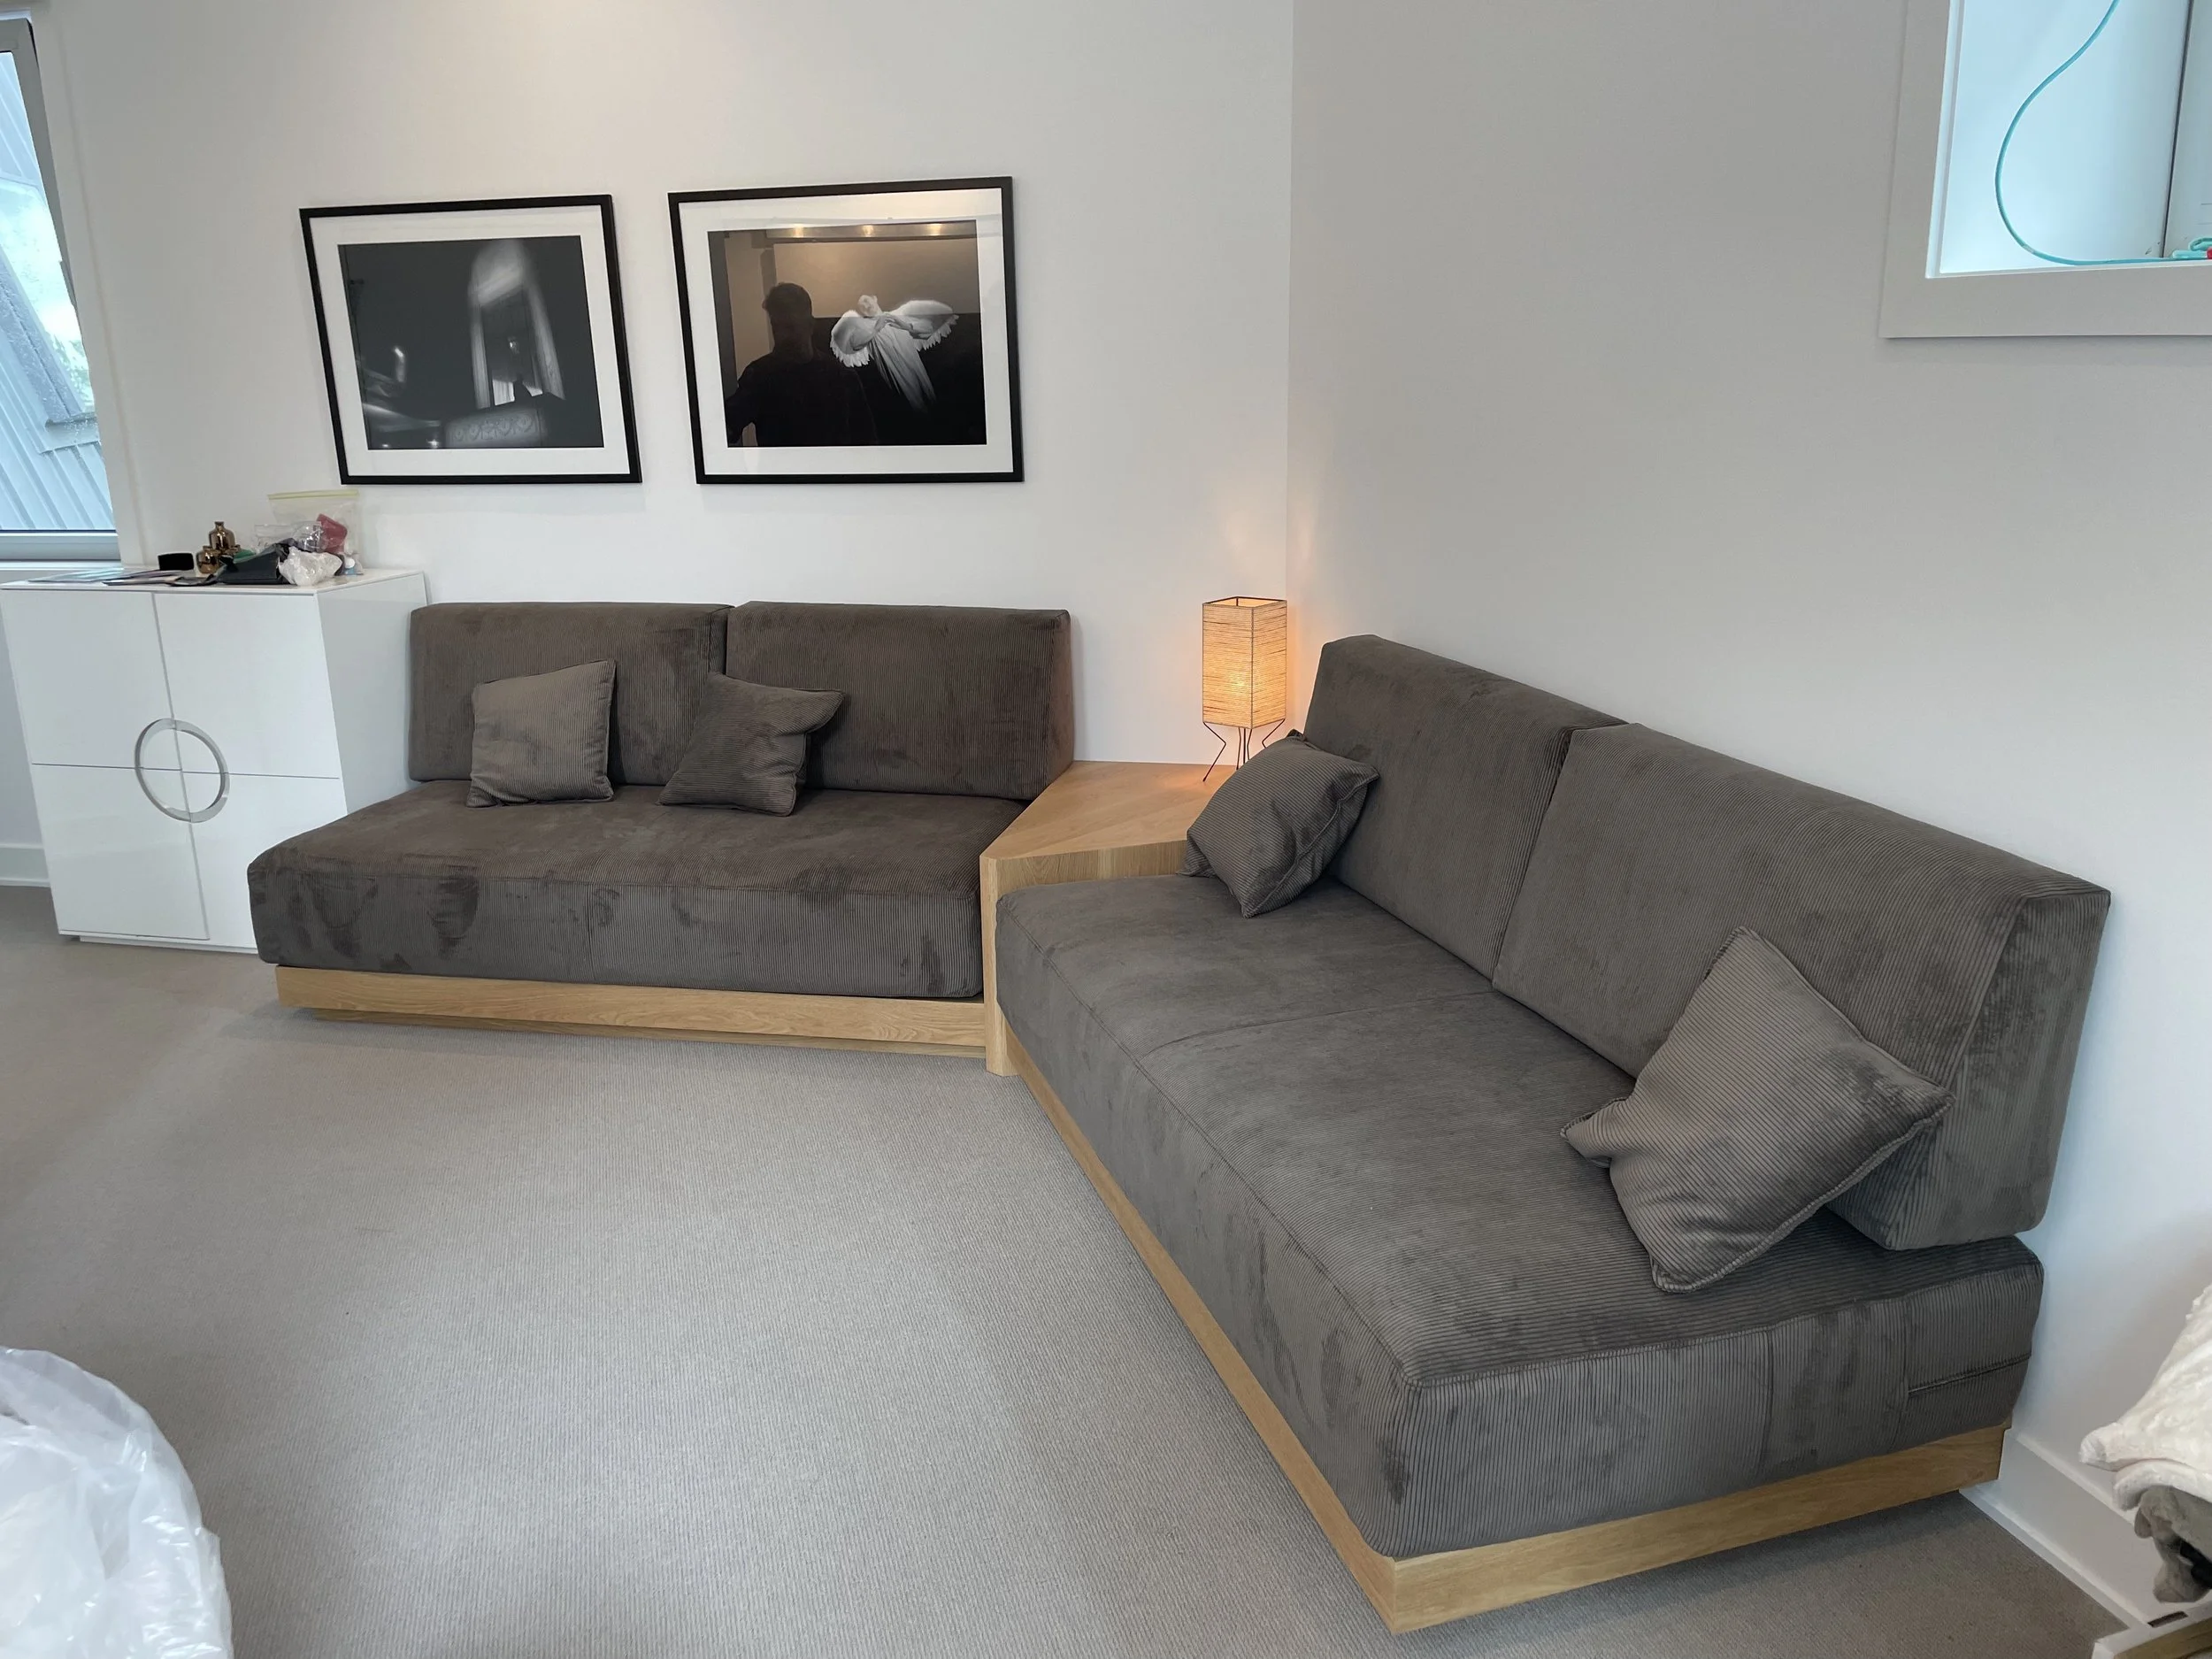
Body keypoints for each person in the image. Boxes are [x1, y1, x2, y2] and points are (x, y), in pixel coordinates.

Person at [724, 283, 877, 447]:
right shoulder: (759, 376)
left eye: (790, 327)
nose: (782, 336)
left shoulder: (843, 378)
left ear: (810, 326)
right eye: (776, 327)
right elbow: (724, 428)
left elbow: (867, 442)